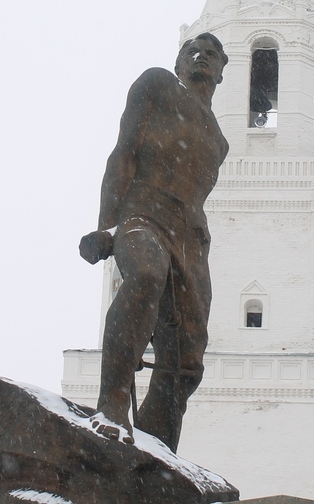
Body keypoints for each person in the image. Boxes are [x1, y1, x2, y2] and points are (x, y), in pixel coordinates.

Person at [78, 33, 229, 453]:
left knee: (187, 355)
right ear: (179, 61)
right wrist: (108, 226)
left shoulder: (219, 141)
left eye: (211, 53)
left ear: (222, 71)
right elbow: (123, 153)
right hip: (143, 214)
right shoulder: (157, 85)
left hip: (192, 238)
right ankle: (111, 408)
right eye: (191, 50)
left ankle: (156, 448)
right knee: (145, 275)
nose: (200, 56)